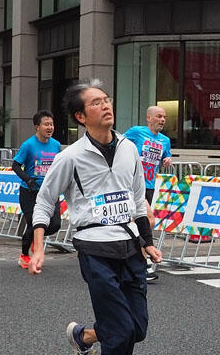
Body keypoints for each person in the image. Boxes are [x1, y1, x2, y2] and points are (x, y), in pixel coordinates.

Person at [29, 79, 162, 355]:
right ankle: (96, 337)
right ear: (81, 116)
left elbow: (138, 201)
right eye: (96, 103)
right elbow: (44, 201)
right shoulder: (71, 157)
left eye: (106, 100)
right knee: (120, 332)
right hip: (94, 248)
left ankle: (84, 336)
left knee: (136, 328)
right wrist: (38, 247)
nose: (105, 106)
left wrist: (147, 242)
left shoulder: (129, 149)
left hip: (130, 244)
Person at [124, 106, 172, 282]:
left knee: (136, 223)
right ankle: (142, 265)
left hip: (150, 185)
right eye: (159, 116)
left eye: (164, 117)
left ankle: (133, 261)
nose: (162, 120)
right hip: (133, 184)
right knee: (147, 220)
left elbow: (167, 157)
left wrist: (168, 160)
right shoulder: (137, 132)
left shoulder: (165, 140)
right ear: (149, 118)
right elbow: (118, 144)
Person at [11, 110, 62, 268]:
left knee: (55, 224)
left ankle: (35, 238)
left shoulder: (56, 145)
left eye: (51, 124)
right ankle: (24, 255)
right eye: (46, 124)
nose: (50, 127)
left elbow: (59, 166)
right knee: (34, 223)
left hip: (49, 192)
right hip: (29, 191)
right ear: (37, 127)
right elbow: (15, 165)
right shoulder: (28, 145)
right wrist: (27, 179)